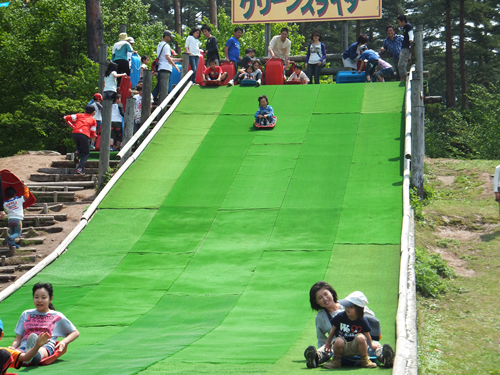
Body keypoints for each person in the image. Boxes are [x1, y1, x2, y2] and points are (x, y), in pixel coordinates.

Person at [303, 282, 395, 369]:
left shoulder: (348, 303)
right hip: (340, 348)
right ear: (316, 302)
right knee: (328, 347)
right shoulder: (320, 317)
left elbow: (369, 318)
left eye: (326, 294)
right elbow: (321, 338)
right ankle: (315, 358)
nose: (325, 299)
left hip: (361, 344)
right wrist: (327, 348)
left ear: (331, 292)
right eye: (320, 298)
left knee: (376, 346)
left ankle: (386, 358)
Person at [9, 283, 79, 366]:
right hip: (24, 346)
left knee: (39, 352)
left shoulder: (57, 316)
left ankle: (32, 357)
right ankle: (28, 355)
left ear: (50, 299)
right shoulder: (26, 314)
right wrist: (13, 348)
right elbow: (18, 338)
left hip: (45, 346)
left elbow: (75, 332)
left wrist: (64, 342)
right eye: (36, 297)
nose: (39, 300)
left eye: (43, 297)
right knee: (9, 354)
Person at [323, 291, 392, 369]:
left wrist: (371, 345)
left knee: (361, 337)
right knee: (338, 341)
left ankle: (365, 360)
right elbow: (333, 330)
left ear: (359, 309)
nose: (347, 308)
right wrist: (328, 343)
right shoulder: (340, 316)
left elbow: (367, 334)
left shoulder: (362, 320)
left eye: (351, 307)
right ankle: (336, 361)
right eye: (347, 306)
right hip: (342, 347)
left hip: (356, 348)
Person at [64, 105, 97, 175]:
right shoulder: (93, 120)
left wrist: (73, 126)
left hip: (75, 133)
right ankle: (80, 168)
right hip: (84, 134)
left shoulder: (79, 115)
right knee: (86, 153)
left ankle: (77, 151)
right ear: (93, 113)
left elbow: (66, 117)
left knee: (79, 144)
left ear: (85, 111)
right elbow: (93, 133)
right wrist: (93, 136)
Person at [152, 30, 181, 102]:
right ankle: (156, 99)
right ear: (166, 36)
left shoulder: (159, 45)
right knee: (164, 86)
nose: (170, 39)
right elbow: (167, 58)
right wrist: (175, 66)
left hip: (160, 67)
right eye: (170, 37)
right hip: (166, 68)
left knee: (159, 85)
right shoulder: (167, 46)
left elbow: (164, 57)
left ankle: (153, 98)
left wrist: (177, 59)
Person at [397, 15, 414, 81]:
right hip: (404, 48)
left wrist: (411, 41)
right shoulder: (405, 27)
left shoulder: (408, 26)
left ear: (403, 21)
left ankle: (404, 79)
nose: (398, 24)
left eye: (399, 22)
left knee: (401, 65)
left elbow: (411, 34)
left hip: (406, 48)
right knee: (401, 65)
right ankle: (404, 78)